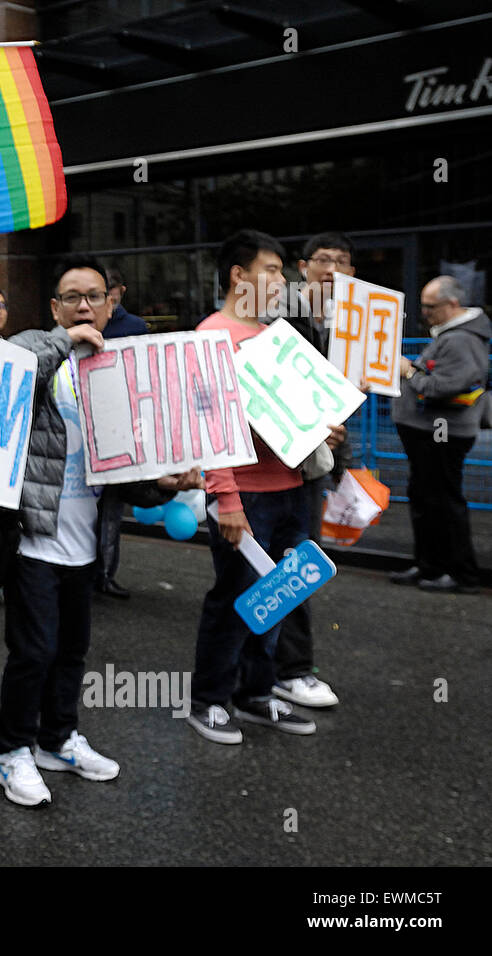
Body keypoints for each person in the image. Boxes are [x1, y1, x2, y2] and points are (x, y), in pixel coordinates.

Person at [0, 257, 199, 806]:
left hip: (87, 546)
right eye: (72, 296)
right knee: (32, 652)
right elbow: (14, 371)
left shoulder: (120, 369)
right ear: (55, 307)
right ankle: (9, 750)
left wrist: (165, 485)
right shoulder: (39, 346)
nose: (85, 305)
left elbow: (126, 474)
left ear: (113, 303)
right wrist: (65, 340)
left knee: (72, 652)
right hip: (34, 537)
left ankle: (56, 740)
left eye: (95, 296)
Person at [186, 230, 344, 745]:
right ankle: (208, 700)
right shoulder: (212, 336)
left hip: (292, 487)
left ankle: (256, 694)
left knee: (278, 597)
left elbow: (294, 416)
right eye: (273, 270)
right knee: (234, 597)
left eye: (282, 271)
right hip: (246, 495)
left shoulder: (277, 336)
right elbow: (210, 428)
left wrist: (324, 427)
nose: (283, 281)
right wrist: (226, 500)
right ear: (239, 275)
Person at [271, 233, 358, 707]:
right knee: (273, 568)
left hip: (312, 465)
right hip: (271, 461)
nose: (331, 269)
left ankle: (287, 667)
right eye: (322, 260)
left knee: (301, 566)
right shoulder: (278, 313)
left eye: (341, 262)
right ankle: (285, 669)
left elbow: (344, 402)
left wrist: (341, 462)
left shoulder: (352, 327)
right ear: (303, 267)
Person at [389, 275, 488, 594]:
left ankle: (459, 572)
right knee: (428, 498)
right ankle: (431, 565)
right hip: (435, 430)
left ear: (453, 304)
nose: (425, 313)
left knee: (442, 500)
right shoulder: (456, 335)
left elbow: (441, 387)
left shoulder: (460, 339)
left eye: (431, 307)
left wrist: (409, 371)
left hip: (440, 431)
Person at [93, 267, 150, 600]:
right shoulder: (81, 325)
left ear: (119, 291)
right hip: (86, 425)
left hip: (119, 427)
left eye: (106, 290)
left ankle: (105, 574)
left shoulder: (135, 327)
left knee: (111, 510)